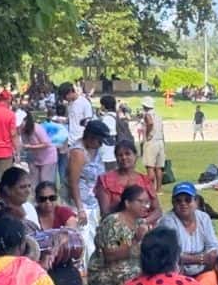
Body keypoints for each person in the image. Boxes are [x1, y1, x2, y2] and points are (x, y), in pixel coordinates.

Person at [87, 184, 152, 285]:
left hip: (131, 267)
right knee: (140, 277)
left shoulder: (140, 223)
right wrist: (136, 240)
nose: (145, 206)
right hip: (105, 272)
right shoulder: (113, 222)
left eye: (147, 202)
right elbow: (110, 255)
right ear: (127, 203)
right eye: (140, 202)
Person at [67, 119, 111, 258]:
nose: (100, 145)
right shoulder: (78, 153)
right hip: (80, 203)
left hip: (93, 201)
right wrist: (80, 209)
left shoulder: (96, 150)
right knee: (84, 240)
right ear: (91, 137)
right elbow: (73, 182)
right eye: (99, 141)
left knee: (94, 238)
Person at [158, 182, 218, 277]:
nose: (183, 203)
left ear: (196, 201)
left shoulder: (204, 217)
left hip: (204, 268)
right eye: (178, 201)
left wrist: (211, 255)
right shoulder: (167, 221)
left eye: (188, 200)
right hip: (177, 271)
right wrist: (202, 259)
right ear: (173, 202)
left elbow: (213, 245)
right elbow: (172, 255)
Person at [95, 140, 160, 219]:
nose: (124, 158)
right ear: (116, 158)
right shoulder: (105, 180)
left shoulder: (145, 181)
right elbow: (105, 212)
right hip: (116, 225)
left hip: (143, 225)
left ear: (136, 156)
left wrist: (145, 222)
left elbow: (157, 210)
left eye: (127, 154)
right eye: (120, 155)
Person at [20, 111, 57, 187]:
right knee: (34, 182)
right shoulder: (22, 131)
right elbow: (25, 144)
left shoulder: (37, 128)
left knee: (45, 181)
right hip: (35, 157)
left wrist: (30, 147)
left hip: (48, 157)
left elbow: (46, 143)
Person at [140, 97, 166, 190]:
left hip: (151, 142)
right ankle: (158, 189)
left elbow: (150, 123)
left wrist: (147, 135)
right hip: (160, 141)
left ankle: (150, 188)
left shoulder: (147, 114)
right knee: (159, 167)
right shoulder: (158, 115)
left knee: (150, 166)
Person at [59, 81, 94, 145]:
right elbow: (71, 120)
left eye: (65, 97)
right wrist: (61, 120)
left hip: (80, 139)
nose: (65, 99)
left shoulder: (84, 103)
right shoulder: (70, 104)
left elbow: (88, 122)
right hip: (71, 139)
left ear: (70, 92)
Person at [97, 95, 119, 170]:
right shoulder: (116, 116)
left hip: (107, 149)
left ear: (104, 105)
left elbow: (103, 131)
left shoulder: (107, 118)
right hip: (115, 147)